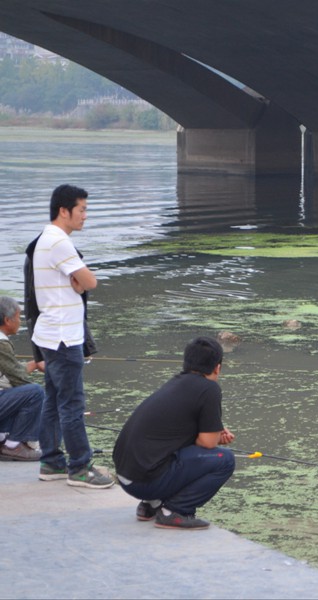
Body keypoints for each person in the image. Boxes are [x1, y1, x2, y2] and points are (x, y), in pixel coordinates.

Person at [33, 184, 113, 488]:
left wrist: (77, 282)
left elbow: (80, 282)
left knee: (53, 401)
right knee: (72, 405)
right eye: (81, 210)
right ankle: (80, 468)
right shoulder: (59, 243)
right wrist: (79, 282)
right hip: (65, 338)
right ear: (64, 211)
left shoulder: (45, 239)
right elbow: (90, 281)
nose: (85, 216)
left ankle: (51, 462)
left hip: (50, 335)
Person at [113, 336, 236, 530]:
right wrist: (214, 435)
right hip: (144, 481)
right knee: (225, 459)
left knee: (169, 450)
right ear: (217, 367)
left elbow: (179, 430)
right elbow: (207, 443)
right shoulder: (209, 388)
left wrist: (214, 429)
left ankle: (151, 505)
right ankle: (174, 510)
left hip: (125, 475)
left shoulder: (176, 382)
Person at [0, 296, 44, 461]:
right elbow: (18, 378)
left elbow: (11, 370)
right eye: (18, 317)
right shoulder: (1, 343)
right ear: (7, 320)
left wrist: (34, 364)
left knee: (16, 393)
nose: (20, 321)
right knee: (35, 393)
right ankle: (12, 446)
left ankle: (4, 438)